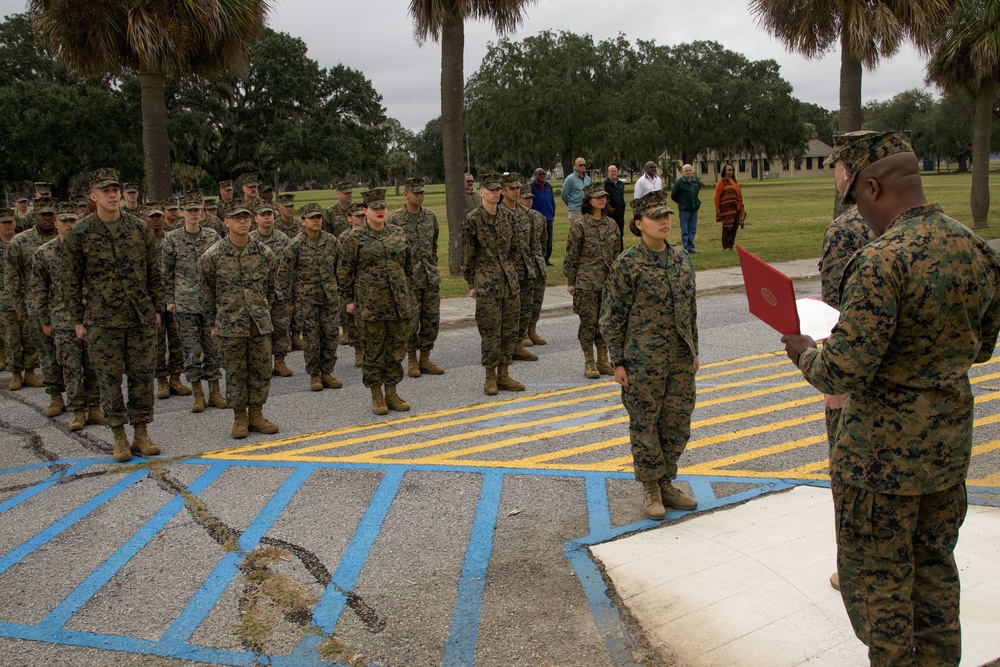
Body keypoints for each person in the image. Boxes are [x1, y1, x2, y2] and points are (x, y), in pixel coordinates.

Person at [780, 130, 1000, 666]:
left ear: (873, 187)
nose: (858, 210)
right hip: (945, 457)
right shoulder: (974, 249)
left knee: (882, 601)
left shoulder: (881, 261)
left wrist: (801, 350)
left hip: (880, 466)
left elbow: (843, 369)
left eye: (857, 197)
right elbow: (981, 348)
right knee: (934, 585)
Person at [600, 190, 699, 521]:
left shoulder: (681, 259)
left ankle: (667, 481)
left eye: (667, 216)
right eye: (656, 217)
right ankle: (651, 488)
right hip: (642, 361)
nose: (664, 221)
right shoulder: (628, 265)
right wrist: (618, 361)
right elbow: (612, 316)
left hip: (680, 359)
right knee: (645, 424)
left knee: (677, 423)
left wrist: (694, 350)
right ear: (638, 223)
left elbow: (690, 310)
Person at [64, 168, 164, 462]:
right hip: (101, 318)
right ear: (93, 196)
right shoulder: (80, 234)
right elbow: (70, 280)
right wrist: (77, 320)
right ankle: (119, 436)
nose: (112, 195)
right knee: (108, 379)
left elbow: (153, 273)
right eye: (105, 190)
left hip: (139, 316)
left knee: (142, 377)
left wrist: (157, 308)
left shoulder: (138, 229)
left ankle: (141, 433)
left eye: (115, 190)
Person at [818, 132, 878, 594]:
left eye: (838, 164)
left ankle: (855, 567)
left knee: (852, 479)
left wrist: (832, 383)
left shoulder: (847, 229)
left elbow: (834, 314)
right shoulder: (937, 229)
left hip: (856, 381)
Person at [200, 202, 280, 439]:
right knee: (235, 371)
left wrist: (263, 311)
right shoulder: (213, 256)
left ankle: (256, 414)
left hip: (259, 323)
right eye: (237, 218)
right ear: (226, 222)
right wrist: (213, 323)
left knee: (261, 369)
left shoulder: (265, 253)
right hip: (230, 323)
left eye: (246, 217)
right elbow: (206, 293)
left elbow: (270, 287)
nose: (242, 222)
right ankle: (239, 418)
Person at [338, 188, 414, 415]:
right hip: (370, 305)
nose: (380, 212)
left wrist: (406, 294)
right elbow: (345, 272)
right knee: (373, 352)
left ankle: (392, 392)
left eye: (383, 208)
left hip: (397, 304)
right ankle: (377, 396)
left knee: (395, 350)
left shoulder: (398, 233)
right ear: (365, 210)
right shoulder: (355, 238)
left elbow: (407, 266)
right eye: (375, 208)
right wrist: (349, 300)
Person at [32, 202, 102, 431]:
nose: (70, 225)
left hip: (91, 316)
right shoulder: (45, 253)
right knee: (70, 367)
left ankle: (95, 407)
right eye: (65, 221)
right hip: (62, 319)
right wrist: (44, 320)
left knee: (94, 365)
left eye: (74, 220)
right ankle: (78, 410)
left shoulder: (89, 247)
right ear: (56, 224)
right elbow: (39, 289)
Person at [161, 192, 226, 413]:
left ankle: (215, 392)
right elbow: (166, 273)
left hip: (209, 304)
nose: (194, 214)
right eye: (189, 211)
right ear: (182, 213)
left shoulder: (212, 236)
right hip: (185, 304)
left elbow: (221, 268)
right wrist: (170, 300)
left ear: (202, 212)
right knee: (191, 350)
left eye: (197, 210)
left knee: (212, 348)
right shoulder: (172, 239)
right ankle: (198, 394)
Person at [463, 172, 524, 396]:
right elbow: (468, 256)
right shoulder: (472, 220)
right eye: (491, 190)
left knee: (509, 330)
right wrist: (472, 283)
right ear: (481, 192)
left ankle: (504, 374)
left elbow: (514, 249)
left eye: (498, 190)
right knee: (490, 331)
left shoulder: (508, 217)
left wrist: (513, 275)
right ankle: (490, 376)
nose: (496, 193)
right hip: (486, 283)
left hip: (509, 282)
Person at [6, 195, 64, 415]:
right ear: (34, 216)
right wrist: (18, 307)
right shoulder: (20, 242)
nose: (49, 219)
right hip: (37, 308)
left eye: (52, 214)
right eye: (44, 215)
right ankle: (56, 397)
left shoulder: (70, 237)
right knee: (47, 355)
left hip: (67, 308)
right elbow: (12, 278)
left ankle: (82, 399)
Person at [387, 177, 445, 377]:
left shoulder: (430, 217)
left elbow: (434, 244)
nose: (419, 196)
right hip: (408, 280)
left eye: (422, 193)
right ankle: (411, 359)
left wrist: (432, 264)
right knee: (410, 321)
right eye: (415, 193)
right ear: (406, 194)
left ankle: (425, 358)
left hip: (429, 277)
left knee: (431, 320)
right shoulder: (395, 220)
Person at [283, 203, 342, 392]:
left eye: (319, 217)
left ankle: (327, 372)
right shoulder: (295, 244)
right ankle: (315, 374)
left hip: (330, 297)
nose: (317, 221)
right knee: (311, 337)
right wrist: (289, 300)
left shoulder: (332, 241)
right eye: (312, 218)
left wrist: (340, 291)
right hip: (306, 299)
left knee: (331, 335)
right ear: (303, 221)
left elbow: (340, 269)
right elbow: (285, 274)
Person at [566, 183, 621, 379]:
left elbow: (617, 254)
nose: (602, 199)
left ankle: (603, 360)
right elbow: (571, 256)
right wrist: (571, 281)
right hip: (586, 283)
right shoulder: (580, 226)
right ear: (588, 201)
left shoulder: (611, 224)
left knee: (605, 323)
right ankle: (589, 361)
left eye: (604, 196)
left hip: (607, 283)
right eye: (597, 197)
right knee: (588, 323)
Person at [250, 202, 293, 378]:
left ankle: (280, 361)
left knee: (281, 326)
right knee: (260, 329)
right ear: (256, 218)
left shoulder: (283, 239)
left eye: (270, 214)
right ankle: (262, 363)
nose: (267, 218)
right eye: (263, 215)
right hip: (258, 293)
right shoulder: (250, 239)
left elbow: (290, 265)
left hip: (279, 290)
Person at [501, 173, 540, 363]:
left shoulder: (526, 215)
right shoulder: (498, 214)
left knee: (525, 309)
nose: (517, 192)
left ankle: (518, 345)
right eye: (512, 189)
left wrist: (532, 265)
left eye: (518, 188)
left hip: (525, 269)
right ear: (503, 191)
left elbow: (533, 244)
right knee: (508, 312)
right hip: (507, 272)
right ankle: (506, 348)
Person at [1, 207, 41, 388]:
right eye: (4, 223)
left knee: (30, 337)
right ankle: (15, 373)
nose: (8, 225)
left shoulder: (23, 242)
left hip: (27, 297)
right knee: (11, 338)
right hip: (5, 299)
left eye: (10, 222)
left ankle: (30, 372)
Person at [518, 186, 548, 347]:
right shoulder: (512, 216)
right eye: (525, 198)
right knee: (525, 301)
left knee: (537, 300)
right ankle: (521, 333)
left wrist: (540, 259)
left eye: (530, 198)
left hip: (537, 264)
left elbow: (543, 241)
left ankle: (532, 329)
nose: (529, 201)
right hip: (522, 265)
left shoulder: (539, 217)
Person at [339, 203, 368, 368]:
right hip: (353, 283)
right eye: (357, 216)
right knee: (354, 321)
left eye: (363, 215)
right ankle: (359, 351)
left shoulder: (370, 234)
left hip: (369, 284)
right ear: (350, 218)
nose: (361, 218)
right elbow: (342, 267)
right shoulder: (344, 238)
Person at [670, 164, 702, 254]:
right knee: (685, 229)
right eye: (686, 171)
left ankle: (691, 246)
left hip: (694, 208)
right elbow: (673, 195)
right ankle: (685, 247)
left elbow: (696, 192)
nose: (688, 172)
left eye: (689, 170)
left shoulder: (695, 181)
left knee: (692, 228)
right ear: (682, 172)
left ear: (692, 171)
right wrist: (682, 202)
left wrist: (695, 202)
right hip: (684, 210)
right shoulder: (679, 182)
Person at [714, 163, 745, 251]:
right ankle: (726, 246)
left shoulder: (734, 181)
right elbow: (717, 197)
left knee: (735, 227)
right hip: (726, 209)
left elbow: (739, 194)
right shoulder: (721, 182)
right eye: (729, 170)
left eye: (732, 170)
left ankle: (731, 245)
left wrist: (742, 207)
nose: (731, 171)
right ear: (725, 171)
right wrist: (717, 209)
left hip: (737, 208)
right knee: (727, 227)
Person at [530, 168, 556, 265]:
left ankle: (546, 259)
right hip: (537, 217)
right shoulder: (532, 187)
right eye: (539, 174)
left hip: (548, 217)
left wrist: (553, 212)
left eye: (543, 174)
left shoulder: (548, 186)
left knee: (549, 240)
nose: (542, 176)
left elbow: (552, 200)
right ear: (535, 175)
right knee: (538, 239)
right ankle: (538, 259)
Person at [560, 157, 590, 224]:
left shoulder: (588, 179)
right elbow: (563, 195)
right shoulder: (570, 179)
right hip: (575, 210)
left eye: (584, 165)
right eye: (580, 165)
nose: (582, 167)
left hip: (587, 210)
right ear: (575, 166)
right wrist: (571, 204)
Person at [603, 165, 627, 239]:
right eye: (612, 171)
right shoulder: (605, 184)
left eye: (615, 171)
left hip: (620, 214)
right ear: (608, 173)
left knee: (620, 234)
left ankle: (620, 250)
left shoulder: (621, 184)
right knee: (611, 234)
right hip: (610, 214)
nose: (614, 172)